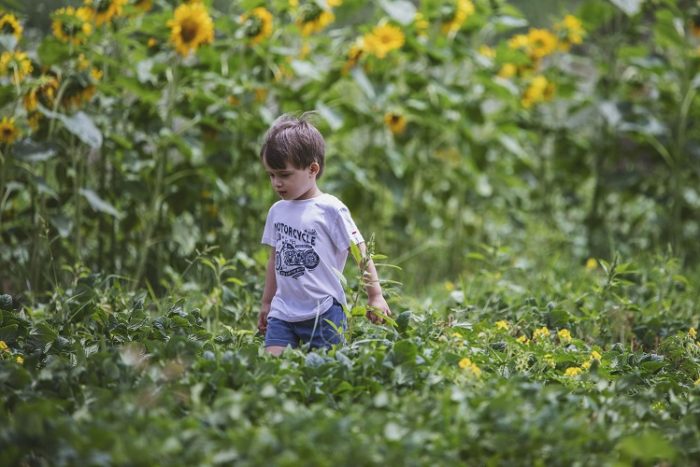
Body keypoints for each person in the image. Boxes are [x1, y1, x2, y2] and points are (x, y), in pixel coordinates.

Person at [257, 113, 391, 356]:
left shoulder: (330, 209)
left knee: (326, 369)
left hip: (324, 310)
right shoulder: (277, 211)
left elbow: (360, 251)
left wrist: (376, 294)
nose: (276, 183)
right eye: (271, 175)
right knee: (272, 368)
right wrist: (267, 303)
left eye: (284, 174)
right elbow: (274, 260)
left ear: (313, 169)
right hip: (283, 311)